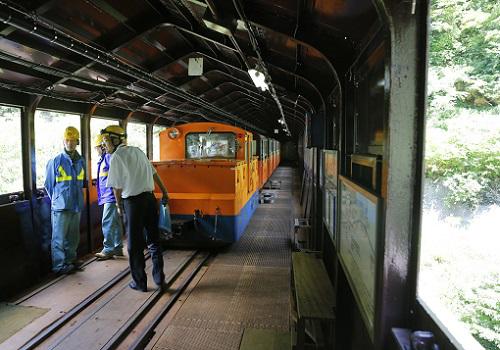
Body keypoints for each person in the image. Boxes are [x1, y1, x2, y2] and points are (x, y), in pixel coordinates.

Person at [101, 125, 169, 292]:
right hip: (149, 199)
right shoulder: (138, 151)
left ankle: (140, 283)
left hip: (133, 203)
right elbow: (154, 173)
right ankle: (159, 279)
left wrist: (119, 207)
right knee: (154, 240)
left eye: (106, 141)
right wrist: (165, 191)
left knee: (134, 244)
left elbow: (116, 188)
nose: (105, 145)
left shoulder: (116, 157)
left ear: (115, 140)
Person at [44, 126, 85, 274]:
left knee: (73, 237)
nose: (70, 143)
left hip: (76, 205)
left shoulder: (81, 161)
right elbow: (48, 185)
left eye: (73, 140)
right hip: (61, 206)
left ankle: (70, 260)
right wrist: (57, 200)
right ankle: (59, 266)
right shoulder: (55, 160)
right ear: (63, 141)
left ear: (77, 141)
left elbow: (81, 183)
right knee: (58, 238)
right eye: (67, 140)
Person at [94, 134, 123, 260]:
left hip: (110, 196)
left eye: (97, 148)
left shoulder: (110, 157)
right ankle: (117, 248)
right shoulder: (104, 158)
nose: (96, 150)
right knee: (115, 223)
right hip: (108, 196)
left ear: (103, 147)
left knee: (107, 222)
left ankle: (108, 249)